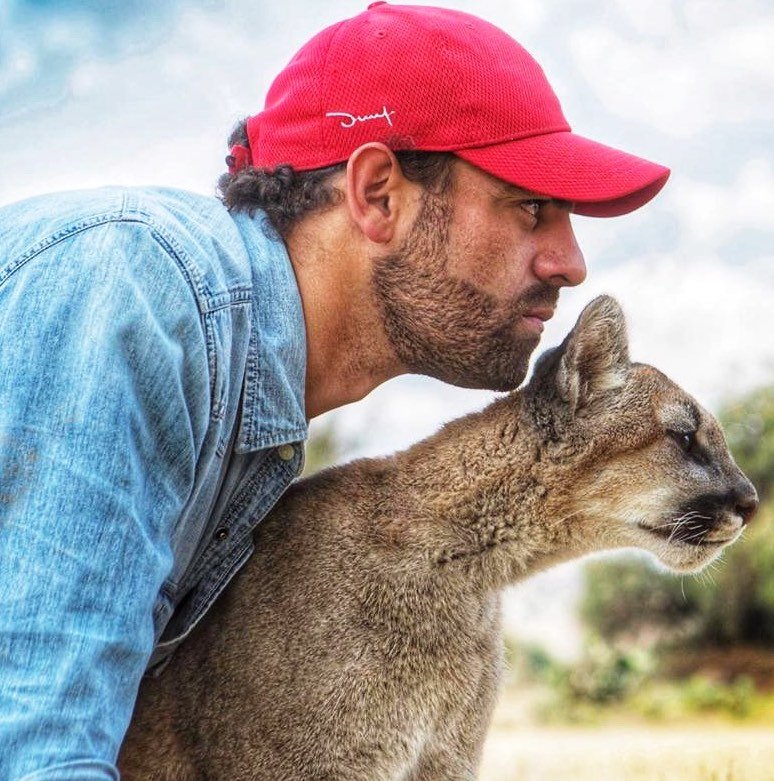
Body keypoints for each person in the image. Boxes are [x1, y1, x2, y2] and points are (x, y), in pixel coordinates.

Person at [0, 3, 670, 779]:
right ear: (378, 193)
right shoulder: (134, 289)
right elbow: (38, 747)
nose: (570, 262)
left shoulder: (250, 401)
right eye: (530, 208)